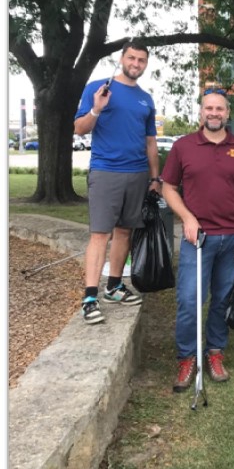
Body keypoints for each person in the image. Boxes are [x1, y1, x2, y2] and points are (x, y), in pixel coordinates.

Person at [161, 89, 234, 391]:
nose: (214, 113)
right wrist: (187, 217)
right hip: (198, 238)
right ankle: (186, 357)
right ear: (201, 112)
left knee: (222, 300)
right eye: (209, 108)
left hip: (233, 237)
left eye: (219, 108)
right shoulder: (183, 146)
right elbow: (168, 188)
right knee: (189, 301)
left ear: (227, 113)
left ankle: (215, 352)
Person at [74, 40, 160, 325]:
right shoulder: (99, 89)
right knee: (101, 234)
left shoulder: (146, 99)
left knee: (124, 232)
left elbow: (150, 142)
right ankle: (89, 297)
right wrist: (97, 109)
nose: (136, 64)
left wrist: (155, 177)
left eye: (141, 60)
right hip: (106, 171)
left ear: (146, 64)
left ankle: (113, 286)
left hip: (137, 175)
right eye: (131, 58)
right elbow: (79, 128)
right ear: (122, 58)